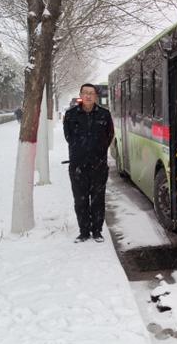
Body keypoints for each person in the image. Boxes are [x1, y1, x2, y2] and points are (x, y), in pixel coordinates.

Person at [63, 83, 114, 243]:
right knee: (80, 200)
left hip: (98, 165)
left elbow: (109, 135)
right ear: (80, 94)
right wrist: (81, 150)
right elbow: (68, 136)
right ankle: (84, 231)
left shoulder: (104, 114)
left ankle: (97, 231)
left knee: (98, 199)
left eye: (91, 93)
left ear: (96, 96)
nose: (88, 96)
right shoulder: (71, 114)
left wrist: (97, 151)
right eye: (85, 93)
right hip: (78, 165)